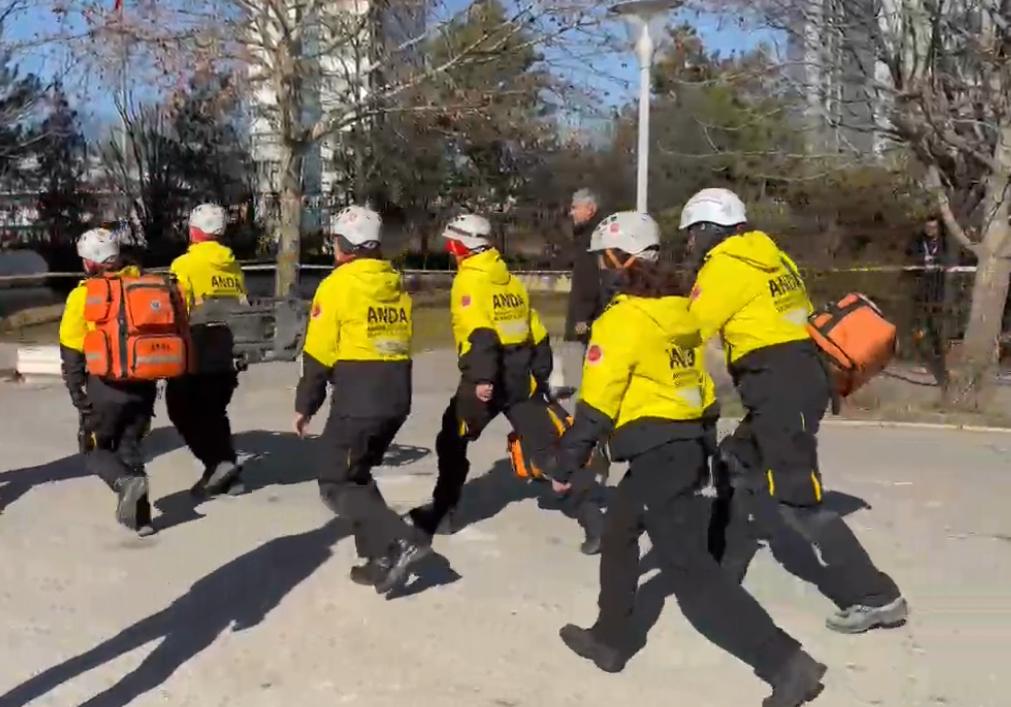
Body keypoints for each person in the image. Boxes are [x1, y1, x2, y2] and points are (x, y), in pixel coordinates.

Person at [552, 212, 826, 707]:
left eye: (602, 259)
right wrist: (703, 447)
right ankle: (611, 638)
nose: (600, 268)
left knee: (693, 579)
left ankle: (787, 664)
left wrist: (566, 464)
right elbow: (699, 389)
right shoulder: (678, 313)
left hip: (660, 455)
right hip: (683, 446)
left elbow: (596, 403)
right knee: (619, 529)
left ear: (619, 261)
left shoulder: (621, 321)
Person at [681, 187, 908, 635]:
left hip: (779, 386)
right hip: (797, 378)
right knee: (736, 461)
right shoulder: (774, 258)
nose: (690, 244)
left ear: (708, 229)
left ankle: (877, 596)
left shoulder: (725, 266)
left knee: (798, 498)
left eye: (692, 234)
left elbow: (688, 330)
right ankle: (722, 571)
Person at [409, 213, 604, 554]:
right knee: (547, 454)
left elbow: (479, 334)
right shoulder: (508, 280)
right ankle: (594, 523)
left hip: (490, 380)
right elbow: (537, 331)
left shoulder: (470, 281)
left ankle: (444, 513)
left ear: (461, 246)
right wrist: (540, 376)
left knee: (452, 439)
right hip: (522, 380)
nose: (450, 251)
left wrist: (482, 378)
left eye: (451, 245)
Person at [294, 205, 430, 593]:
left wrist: (306, 405)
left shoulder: (337, 285)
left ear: (343, 245)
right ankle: (380, 558)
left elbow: (319, 353)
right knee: (357, 475)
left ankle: (401, 538)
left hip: (360, 393)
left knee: (334, 482)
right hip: (396, 392)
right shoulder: (393, 282)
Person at [59, 228, 156, 536]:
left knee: (92, 447)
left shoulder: (83, 295)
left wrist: (79, 396)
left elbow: (72, 353)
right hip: (145, 383)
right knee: (130, 445)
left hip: (106, 385)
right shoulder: (143, 283)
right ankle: (142, 521)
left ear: (90, 263)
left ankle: (124, 483)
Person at [167, 204, 248, 496]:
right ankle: (229, 475)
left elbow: (177, 310)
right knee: (215, 412)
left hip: (196, 351)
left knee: (181, 409)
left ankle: (218, 465)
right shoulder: (232, 265)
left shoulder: (184, 265)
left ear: (194, 231)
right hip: (228, 351)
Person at [554, 188, 605, 397]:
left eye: (575, 208)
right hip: (590, 309)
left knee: (585, 356)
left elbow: (589, 279)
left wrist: (582, 316)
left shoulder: (593, 238)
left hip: (589, 313)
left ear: (590, 209)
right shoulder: (587, 235)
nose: (571, 213)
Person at [904, 215, 953, 386]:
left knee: (937, 331)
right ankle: (922, 360)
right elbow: (909, 258)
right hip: (921, 292)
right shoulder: (918, 241)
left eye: (934, 228)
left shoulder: (946, 243)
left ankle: (941, 366)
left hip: (940, 293)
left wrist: (939, 263)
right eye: (928, 228)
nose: (930, 231)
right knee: (918, 329)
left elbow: (951, 261)